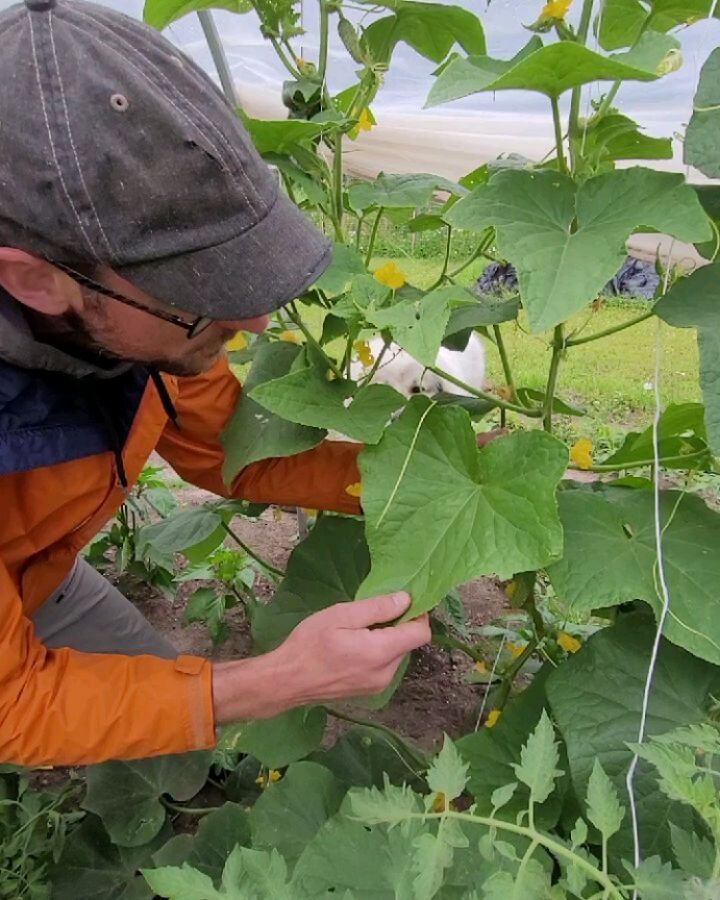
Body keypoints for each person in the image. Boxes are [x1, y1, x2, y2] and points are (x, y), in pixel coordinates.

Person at [0, 0, 431, 767]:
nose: (256, 321)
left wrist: (421, 484)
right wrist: (273, 681)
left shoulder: (133, 323)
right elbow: (13, 707)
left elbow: (230, 453)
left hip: (39, 575)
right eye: (197, 292)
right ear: (34, 281)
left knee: (163, 717)